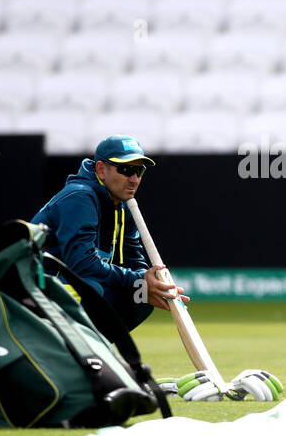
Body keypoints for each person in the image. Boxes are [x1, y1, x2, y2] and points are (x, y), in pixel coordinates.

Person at [31, 134, 187, 331]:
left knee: (141, 296)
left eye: (139, 171)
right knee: (91, 288)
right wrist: (139, 279)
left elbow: (133, 258)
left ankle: (91, 354)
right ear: (101, 170)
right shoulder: (79, 197)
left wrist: (154, 284)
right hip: (32, 287)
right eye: (126, 169)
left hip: (62, 286)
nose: (134, 179)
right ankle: (62, 353)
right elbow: (83, 265)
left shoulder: (124, 205)